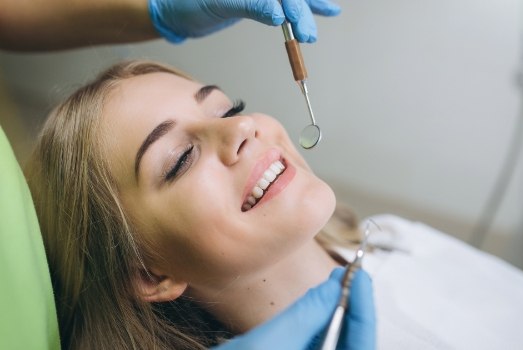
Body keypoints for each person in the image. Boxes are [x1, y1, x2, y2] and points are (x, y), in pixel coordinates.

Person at [1, 1, 367, 349]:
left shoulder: (405, 241)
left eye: (226, 110)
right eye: (181, 159)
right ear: (149, 274)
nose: (241, 127)